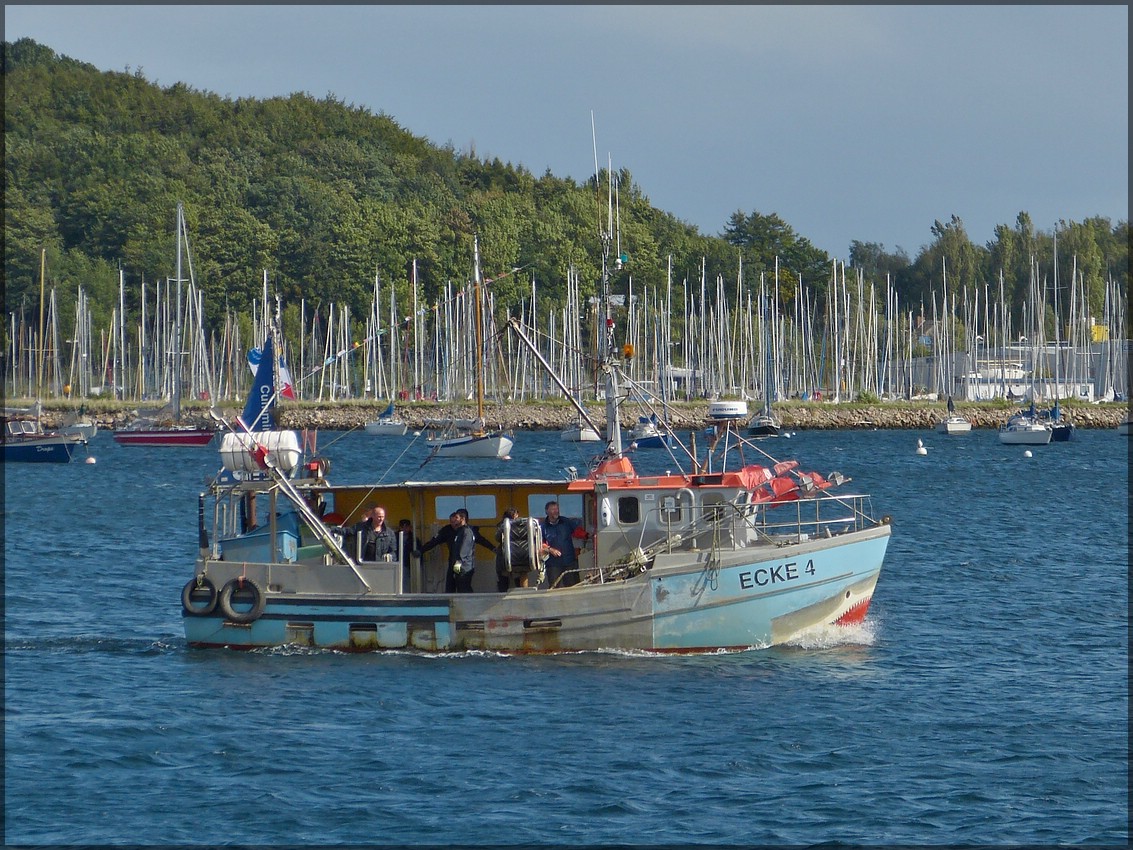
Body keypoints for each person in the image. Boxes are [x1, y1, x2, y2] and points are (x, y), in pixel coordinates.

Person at [417, 511, 495, 593]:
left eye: (456, 520)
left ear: (463, 519)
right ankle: (451, 604)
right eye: (452, 522)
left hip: (463, 565)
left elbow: (480, 542)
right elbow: (434, 542)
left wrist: (493, 548)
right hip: (453, 562)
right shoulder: (448, 530)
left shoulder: (467, 531)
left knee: (463, 587)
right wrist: (421, 551)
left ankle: (468, 604)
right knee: (450, 587)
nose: (454, 524)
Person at [540, 500, 583, 588]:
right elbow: (539, 544)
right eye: (553, 509)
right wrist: (550, 549)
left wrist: (588, 535)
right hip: (553, 564)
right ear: (546, 512)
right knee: (555, 587)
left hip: (569, 562)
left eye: (557, 509)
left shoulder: (566, 522)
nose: (556, 511)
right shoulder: (543, 527)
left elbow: (577, 532)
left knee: (572, 587)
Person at [495, 507, 535, 592]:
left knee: (503, 580)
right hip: (522, 553)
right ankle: (523, 597)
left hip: (505, 554)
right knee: (520, 579)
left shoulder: (502, 525)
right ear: (515, 515)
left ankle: (502, 596)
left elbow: (497, 538)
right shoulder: (525, 523)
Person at [397, 518, 422, 592]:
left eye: (406, 526)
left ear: (410, 527)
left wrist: (419, 563)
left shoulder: (414, 539)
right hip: (396, 563)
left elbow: (419, 550)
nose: (404, 528)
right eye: (402, 526)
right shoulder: (394, 537)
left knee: (408, 582)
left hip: (409, 564)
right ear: (399, 527)